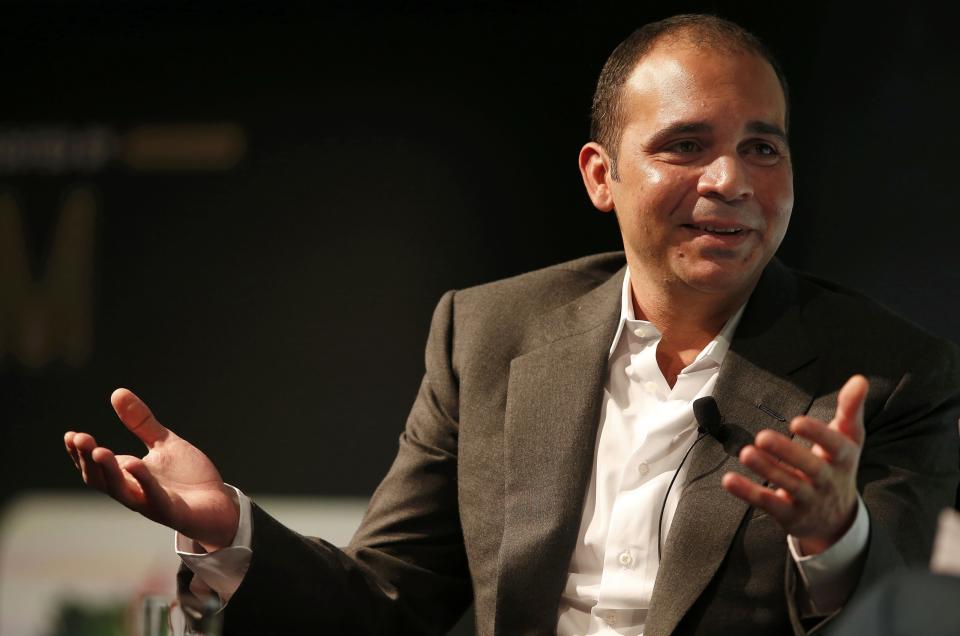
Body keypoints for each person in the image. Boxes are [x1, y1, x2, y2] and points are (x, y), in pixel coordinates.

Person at [64, 14, 960, 636]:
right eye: (686, 145)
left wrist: (833, 534)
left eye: (763, 148)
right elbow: (389, 599)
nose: (732, 180)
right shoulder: (489, 335)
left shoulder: (885, 374)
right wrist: (231, 531)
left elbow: (897, 618)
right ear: (600, 176)